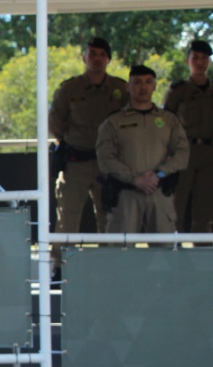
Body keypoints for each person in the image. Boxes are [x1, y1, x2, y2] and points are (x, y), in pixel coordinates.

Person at [49, 37, 129, 268]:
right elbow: (55, 123)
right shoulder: (70, 88)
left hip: (108, 164)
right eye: (92, 53)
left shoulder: (119, 89)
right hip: (76, 162)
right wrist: (71, 141)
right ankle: (59, 267)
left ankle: (109, 266)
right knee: (68, 217)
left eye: (102, 54)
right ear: (84, 58)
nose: (97, 58)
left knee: (108, 217)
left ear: (108, 59)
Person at [97, 65, 189, 234]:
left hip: (159, 193)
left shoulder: (169, 120)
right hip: (126, 195)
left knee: (164, 254)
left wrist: (159, 174)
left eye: (148, 82)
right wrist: (134, 179)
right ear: (128, 86)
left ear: (154, 86)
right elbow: (105, 159)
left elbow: (182, 153)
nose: (143, 87)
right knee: (120, 254)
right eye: (137, 82)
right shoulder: (113, 122)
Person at [163, 40, 213, 232]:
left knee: (205, 208)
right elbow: (165, 122)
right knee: (177, 204)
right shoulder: (179, 91)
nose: (200, 62)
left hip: (209, 155)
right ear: (187, 61)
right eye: (196, 58)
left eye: (204, 58)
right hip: (185, 153)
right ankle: (173, 251)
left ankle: (201, 255)